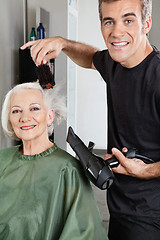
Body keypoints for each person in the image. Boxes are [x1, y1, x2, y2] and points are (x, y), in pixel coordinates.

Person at [21, 0, 160, 239]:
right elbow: (91, 57)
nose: (116, 32)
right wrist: (63, 44)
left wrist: (146, 170)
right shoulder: (115, 63)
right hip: (120, 208)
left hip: (150, 216)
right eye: (109, 21)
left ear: (146, 23)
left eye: (128, 20)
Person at [0, 81, 108, 240]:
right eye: (16, 111)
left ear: (50, 116)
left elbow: (84, 231)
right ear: (9, 119)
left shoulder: (68, 169)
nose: (25, 117)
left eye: (34, 108)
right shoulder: (2, 160)